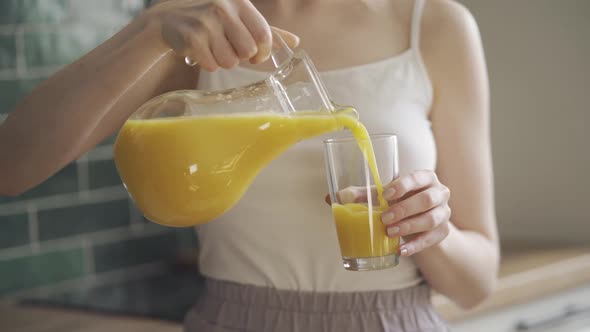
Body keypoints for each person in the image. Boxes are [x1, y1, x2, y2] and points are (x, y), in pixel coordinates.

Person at [0, 0, 499, 330]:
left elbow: (476, 284)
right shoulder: (196, 27)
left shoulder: (433, 24)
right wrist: (151, 30)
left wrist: (432, 230)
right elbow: (12, 166)